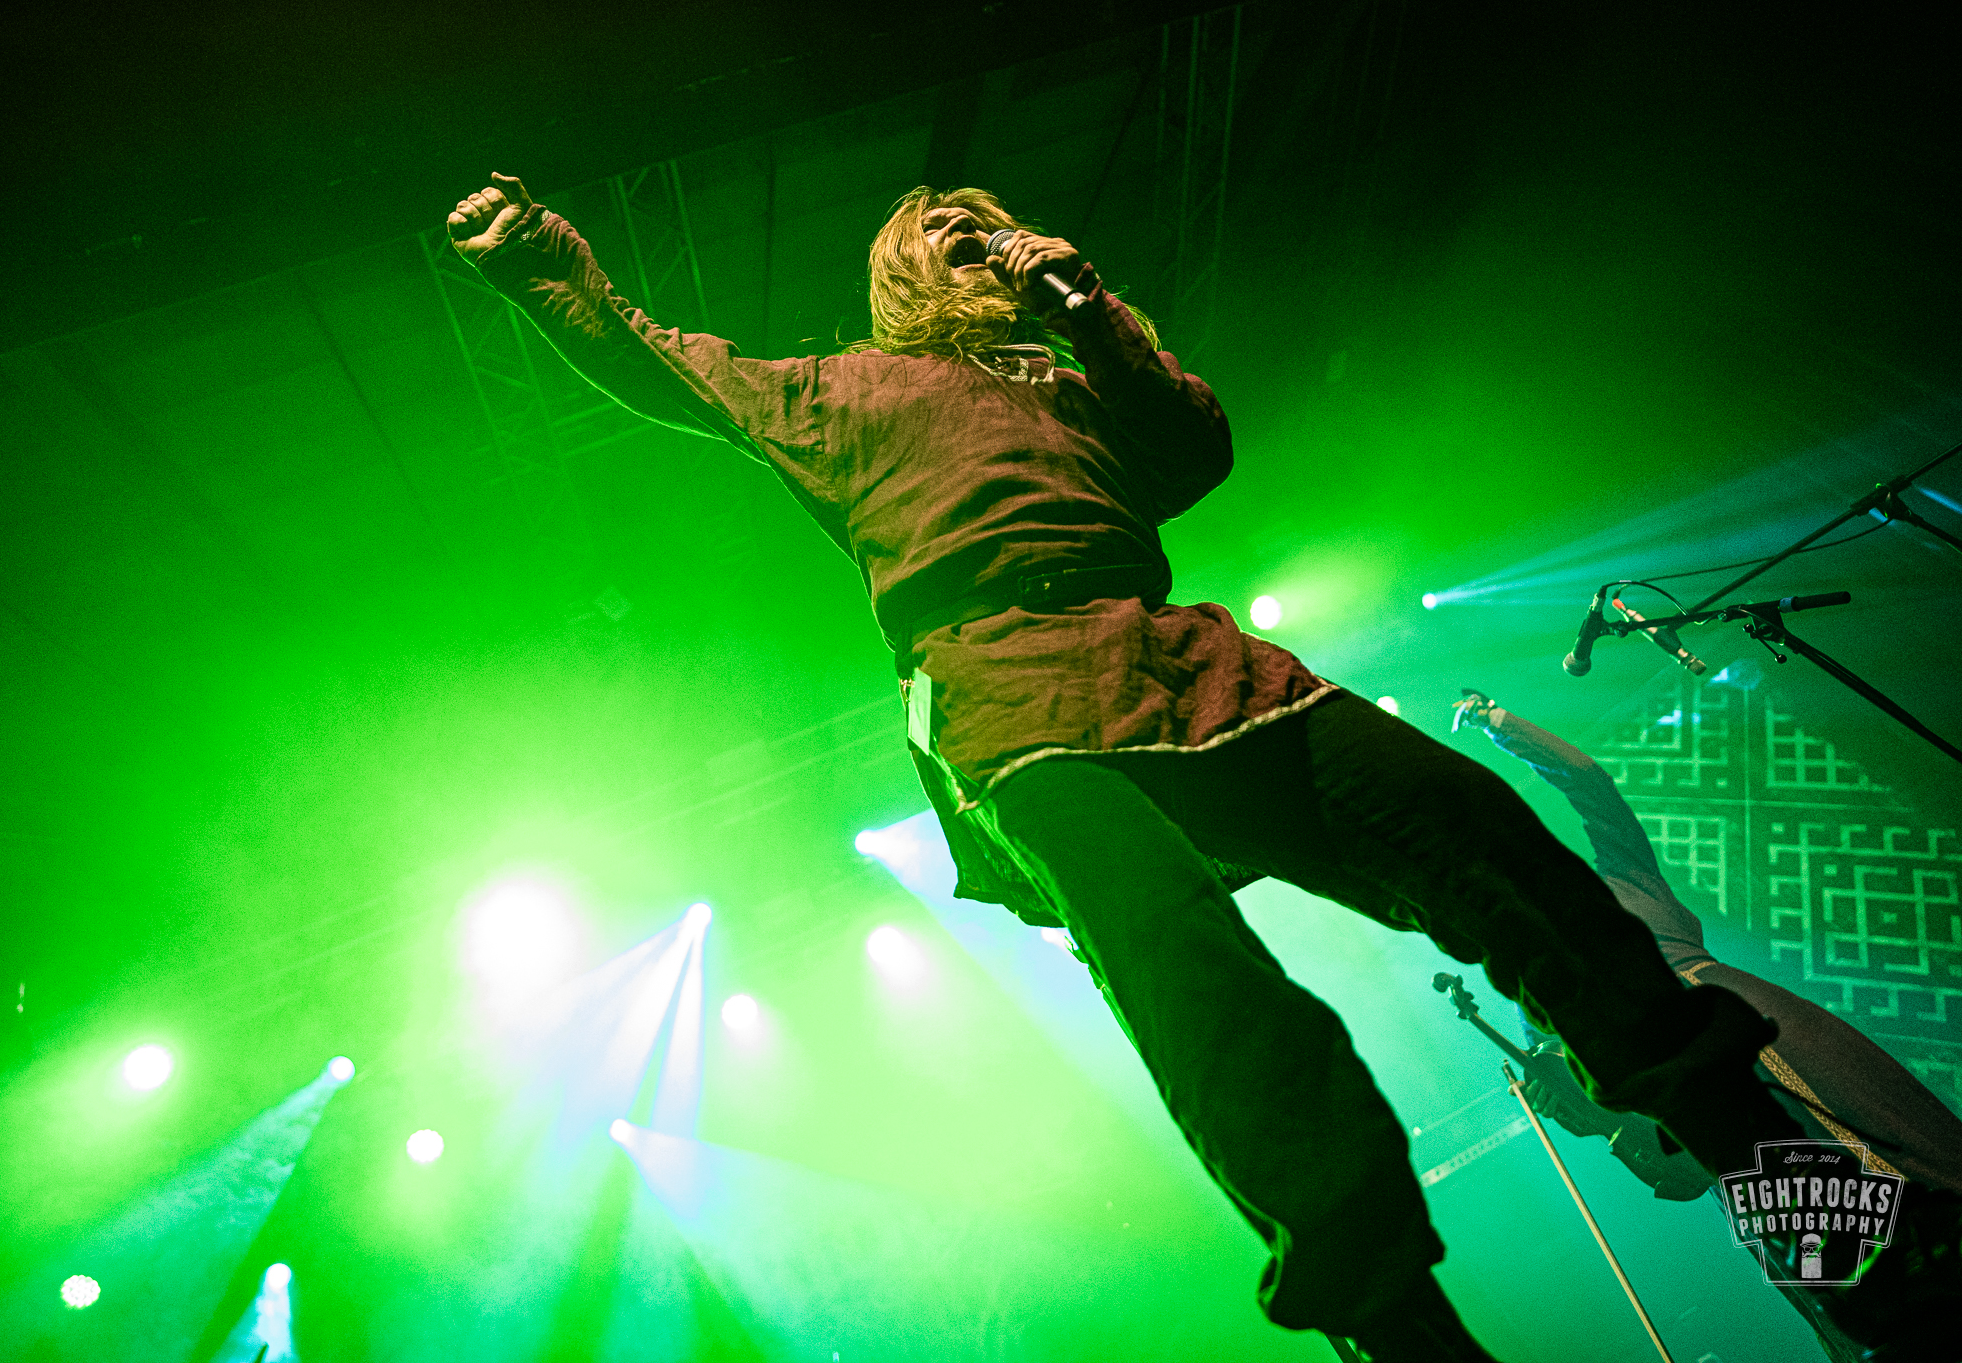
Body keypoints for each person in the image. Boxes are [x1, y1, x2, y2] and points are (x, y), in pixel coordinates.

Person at [444, 173, 1953, 1362]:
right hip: (1011, 701)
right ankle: (1396, 1320)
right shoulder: (842, 389)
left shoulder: (1073, 383)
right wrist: (549, 268)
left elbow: (1192, 449)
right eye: (946, 227)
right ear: (905, 274)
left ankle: (1824, 1219)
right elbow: (661, 363)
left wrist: (1088, 307)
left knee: (1493, 849)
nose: (976, 231)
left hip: (1187, 660)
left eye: (987, 219)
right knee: (1198, 981)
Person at [1451, 689, 1962, 1361]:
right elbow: (1664, 1156)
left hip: (1760, 1034)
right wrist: (1589, 1118)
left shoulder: (1623, 882)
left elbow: (1590, 783)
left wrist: (1502, 724)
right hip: (1716, 1120)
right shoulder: (1533, 993)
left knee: (1883, 1156)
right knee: (1834, 1256)